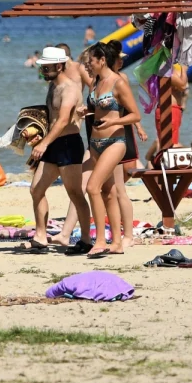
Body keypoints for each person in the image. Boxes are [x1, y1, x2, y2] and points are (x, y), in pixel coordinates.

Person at [22, 47, 92, 252]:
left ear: (59, 66)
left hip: (68, 144)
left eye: (47, 67)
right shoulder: (53, 86)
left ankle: (86, 240)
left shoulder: (70, 89)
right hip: (52, 143)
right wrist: (34, 131)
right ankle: (41, 237)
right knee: (36, 189)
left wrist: (44, 144)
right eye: (42, 67)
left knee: (75, 193)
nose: (43, 70)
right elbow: (51, 117)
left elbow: (62, 120)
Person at [80, 42, 140, 258]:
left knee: (92, 187)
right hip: (95, 143)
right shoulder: (96, 82)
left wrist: (114, 122)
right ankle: (116, 243)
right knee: (109, 192)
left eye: (91, 61)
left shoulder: (118, 82)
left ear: (102, 60)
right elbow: (98, 109)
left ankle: (100, 241)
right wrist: (86, 111)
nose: (88, 65)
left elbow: (135, 115)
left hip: (115, 142)